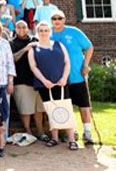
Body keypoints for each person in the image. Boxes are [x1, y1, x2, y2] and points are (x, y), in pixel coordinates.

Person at [29, 21, 77, 150]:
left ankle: (71, 139)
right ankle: (54, 138)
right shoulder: (33, 49)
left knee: (66, 109)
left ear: (50, 32)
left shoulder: (59, 45)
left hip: (61, 83)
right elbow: (33, 67)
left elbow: (67, 62)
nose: (43, 32)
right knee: (51, 111)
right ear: (37, 32)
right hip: (45, 85)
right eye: (41, 30)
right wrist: (44, 81)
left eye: (46, 30)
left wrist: (64, 78)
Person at [50, 10, 94, 144]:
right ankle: (71, 131)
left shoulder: (74, 32)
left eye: (59, 18)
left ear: (64, 19)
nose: (57, 21)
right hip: (60, 78)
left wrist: (86, 65)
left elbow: (89, 47)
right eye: (54, 18)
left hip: (77, 75)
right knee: (66, 105)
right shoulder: (48, 34)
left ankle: (87, 132)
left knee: (84, 105)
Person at [10, 20, 47, 140]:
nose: (22, 29)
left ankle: (41, 131)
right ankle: (28, 131)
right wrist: (25, 49)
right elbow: (12, 59)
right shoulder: (12, 43)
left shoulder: (35, 40)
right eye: (19, 27)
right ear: (15, 29)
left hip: (37, 80)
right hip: (21, 80)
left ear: (28, 28)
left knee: (38, 108)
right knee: (25, 108)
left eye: (24, 27)